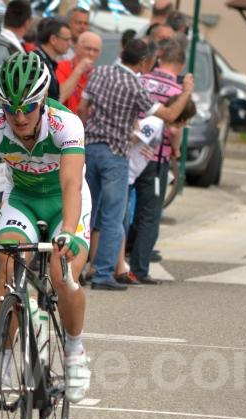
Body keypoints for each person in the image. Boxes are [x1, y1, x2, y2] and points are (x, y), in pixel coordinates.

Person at [0, 53, 92, 403]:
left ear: (43, 100)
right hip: (22, 198)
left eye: (28, 108)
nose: (20, 118)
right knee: (8, 270)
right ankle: (3, 365)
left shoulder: (66, 124)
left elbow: (71, 184)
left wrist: (68, 231)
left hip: (65, 201)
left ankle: (74, 352)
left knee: (62, 274)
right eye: (11, 109)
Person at [78, 38, 193, 291]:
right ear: (143, 61)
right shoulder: (135, 85)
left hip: (91, 148)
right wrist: (185, 91)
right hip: (116, 154)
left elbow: (83, 107)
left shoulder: (100, 72)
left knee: (86, 212)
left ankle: (75, 270)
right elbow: (170, 115)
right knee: (113, 217)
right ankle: (103, 274)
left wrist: (86, 132)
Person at [128, 39, 191, 284]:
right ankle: (139, 269)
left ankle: (116, 261)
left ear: (160, 59)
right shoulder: (178, 93)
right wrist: (176, 151)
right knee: (149, 214)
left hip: (129, 153)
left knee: (122, 210)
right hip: (155, 159)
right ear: (181, 65)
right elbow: (174, 130)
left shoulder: (140, 80)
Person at [56, 31, 102, 115]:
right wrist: (79, 70)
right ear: (77, 48)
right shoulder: (61, 66)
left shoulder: (98, 76)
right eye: (88, 49)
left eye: (96, 50)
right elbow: (59, 97)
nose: (91, 53)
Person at [33, 18, 71, 102]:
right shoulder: (37, 62)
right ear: (53, 39)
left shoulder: (48, 62)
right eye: (66, 39)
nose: (69, 44)